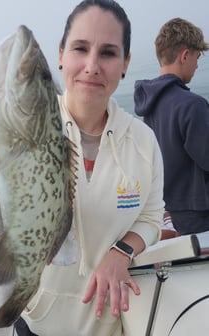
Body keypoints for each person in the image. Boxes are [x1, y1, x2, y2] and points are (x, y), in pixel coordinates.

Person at [14, 1, 164, 335]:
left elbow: (153, 217)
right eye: (80, 48)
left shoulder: (143, 141)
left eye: (108, 53)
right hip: (37, 319)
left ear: (125, 64)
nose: (92, 66)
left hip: (111, 321)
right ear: (61, 55)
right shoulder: (26, 131)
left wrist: (120, 252)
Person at [134, 17, 209, 235]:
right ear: (185, 55)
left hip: (172, 210)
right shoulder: (192, 105)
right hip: (200, 216)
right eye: (197, 57)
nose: (196, 65)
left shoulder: (149, 105)